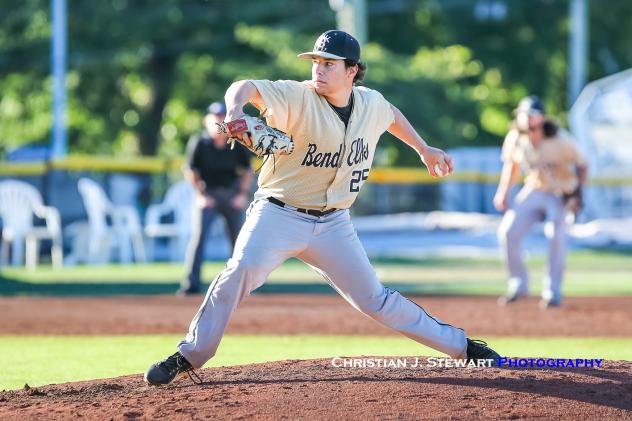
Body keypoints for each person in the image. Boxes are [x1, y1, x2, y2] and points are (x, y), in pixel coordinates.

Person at [145, 30, 500, 385]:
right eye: (316, 61)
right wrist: (236, 108)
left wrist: (423, 149)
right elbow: (245, 85)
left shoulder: (369, 103)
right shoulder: (297, 95)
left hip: (334, 225)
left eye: (329, 64)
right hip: (278, 213)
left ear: (352, 70)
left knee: (374, 299)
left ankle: (463, 348)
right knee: (239, 272)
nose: (319, 69)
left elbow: (390, 114)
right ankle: (189, 355)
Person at [494, 96, 588, 308]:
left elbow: (583, 164)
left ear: (542, 117)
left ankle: (552, 292)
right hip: (535, 189)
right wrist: (503, 192)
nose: (527, 119)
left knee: (555, 235)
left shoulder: (560, 139)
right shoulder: (516, 137)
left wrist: (578, 194)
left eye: (532, 115)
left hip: (560, 191)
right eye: (524, 115)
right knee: (508, 232)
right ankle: (518, 284)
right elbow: (512, 166)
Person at [178, 102, 254, 295]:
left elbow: (247, 170)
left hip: (231, 194)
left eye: (222, 117)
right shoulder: (200, 142)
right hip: (208, 194)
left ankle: (241, 285)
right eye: (215, 117)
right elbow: (191, 170)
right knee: (199, 238)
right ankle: (191, 284)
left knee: (240, 242)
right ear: (207, 120)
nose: (218, 120)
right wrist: (200, 196)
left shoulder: (235, 141)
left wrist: (241, 195)